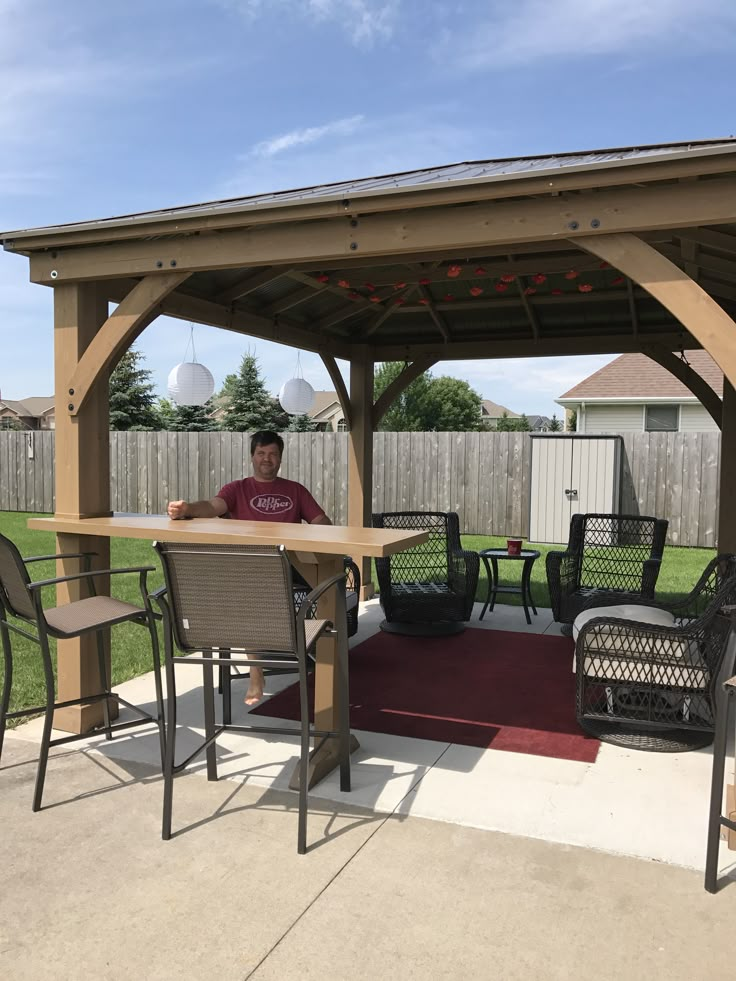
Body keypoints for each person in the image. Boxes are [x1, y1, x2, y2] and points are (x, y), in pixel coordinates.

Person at [167, 430, 331, 704]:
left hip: (288, 569)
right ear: (252, 457)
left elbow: (321, 520)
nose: (267, 459)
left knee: (323, 587)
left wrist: (321, 529)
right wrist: (188, 509)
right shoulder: (237, 489)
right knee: (246, 593)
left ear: (280, 458)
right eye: (261, 453)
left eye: (273, 454)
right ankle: (257, 672)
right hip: (247, 571)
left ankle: (319, 665)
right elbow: (212, 505)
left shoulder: (295, 490)